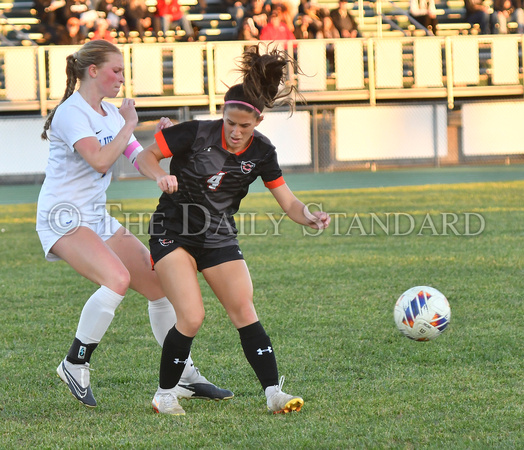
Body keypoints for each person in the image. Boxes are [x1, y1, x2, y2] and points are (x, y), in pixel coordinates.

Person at [36, 40, 233, 409]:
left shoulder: (110, 114)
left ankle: (184, 375)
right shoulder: (71, 112)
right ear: (92, 71)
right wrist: (129, 123)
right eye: (116, 70)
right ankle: (74, 362)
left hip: (96, 217)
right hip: (62, 217)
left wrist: (165, 151)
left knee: (160, 285)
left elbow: (137, 156)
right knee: (118, 279)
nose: (121, 79)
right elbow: (98, 160)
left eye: (123, 71)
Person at [136, 44, 331, 416]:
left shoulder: (263, 151)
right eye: (231, 123)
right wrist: (161, 175)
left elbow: (288, 201)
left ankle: (273, 392)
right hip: (172, 231)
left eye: (245, 126)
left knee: (244, 309)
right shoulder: (193, 133)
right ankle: (164, 394)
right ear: (222, 114)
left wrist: (309, 215)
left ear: (257, 123)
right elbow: (146, 156)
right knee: (191, 316)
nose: (237, 132)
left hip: (218, 234)